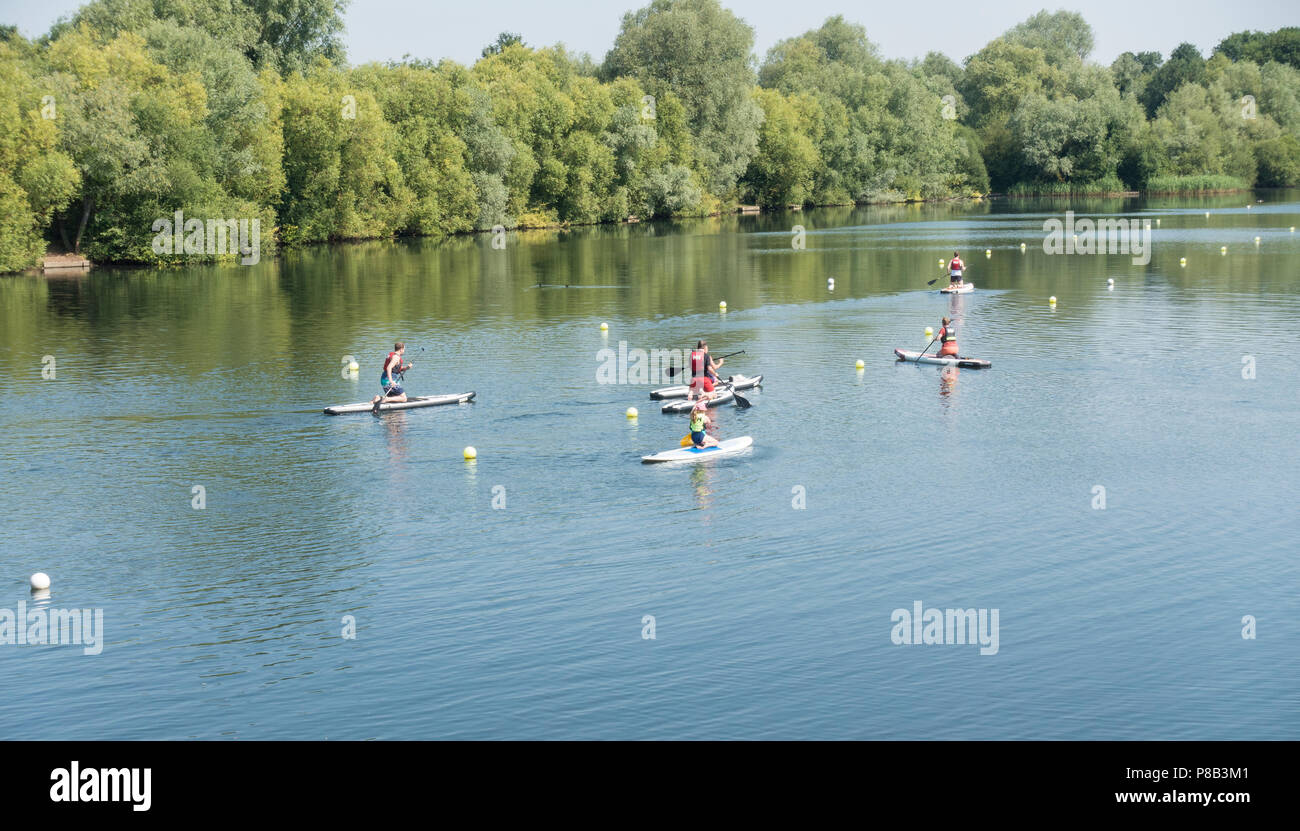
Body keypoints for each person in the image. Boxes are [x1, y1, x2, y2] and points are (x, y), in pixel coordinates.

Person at [371, 342, 413, 413]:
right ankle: (385, 399)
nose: (404, 351)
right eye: (404, 349)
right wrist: (391, 381)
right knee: (403, 398)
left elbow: (396, 369)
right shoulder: (396, 357)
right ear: (401, 349)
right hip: (389, 380)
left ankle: (378, 398)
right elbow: (389, 368)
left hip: (385, 379)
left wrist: (407, 367)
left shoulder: (393, 356)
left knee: (395, 398)